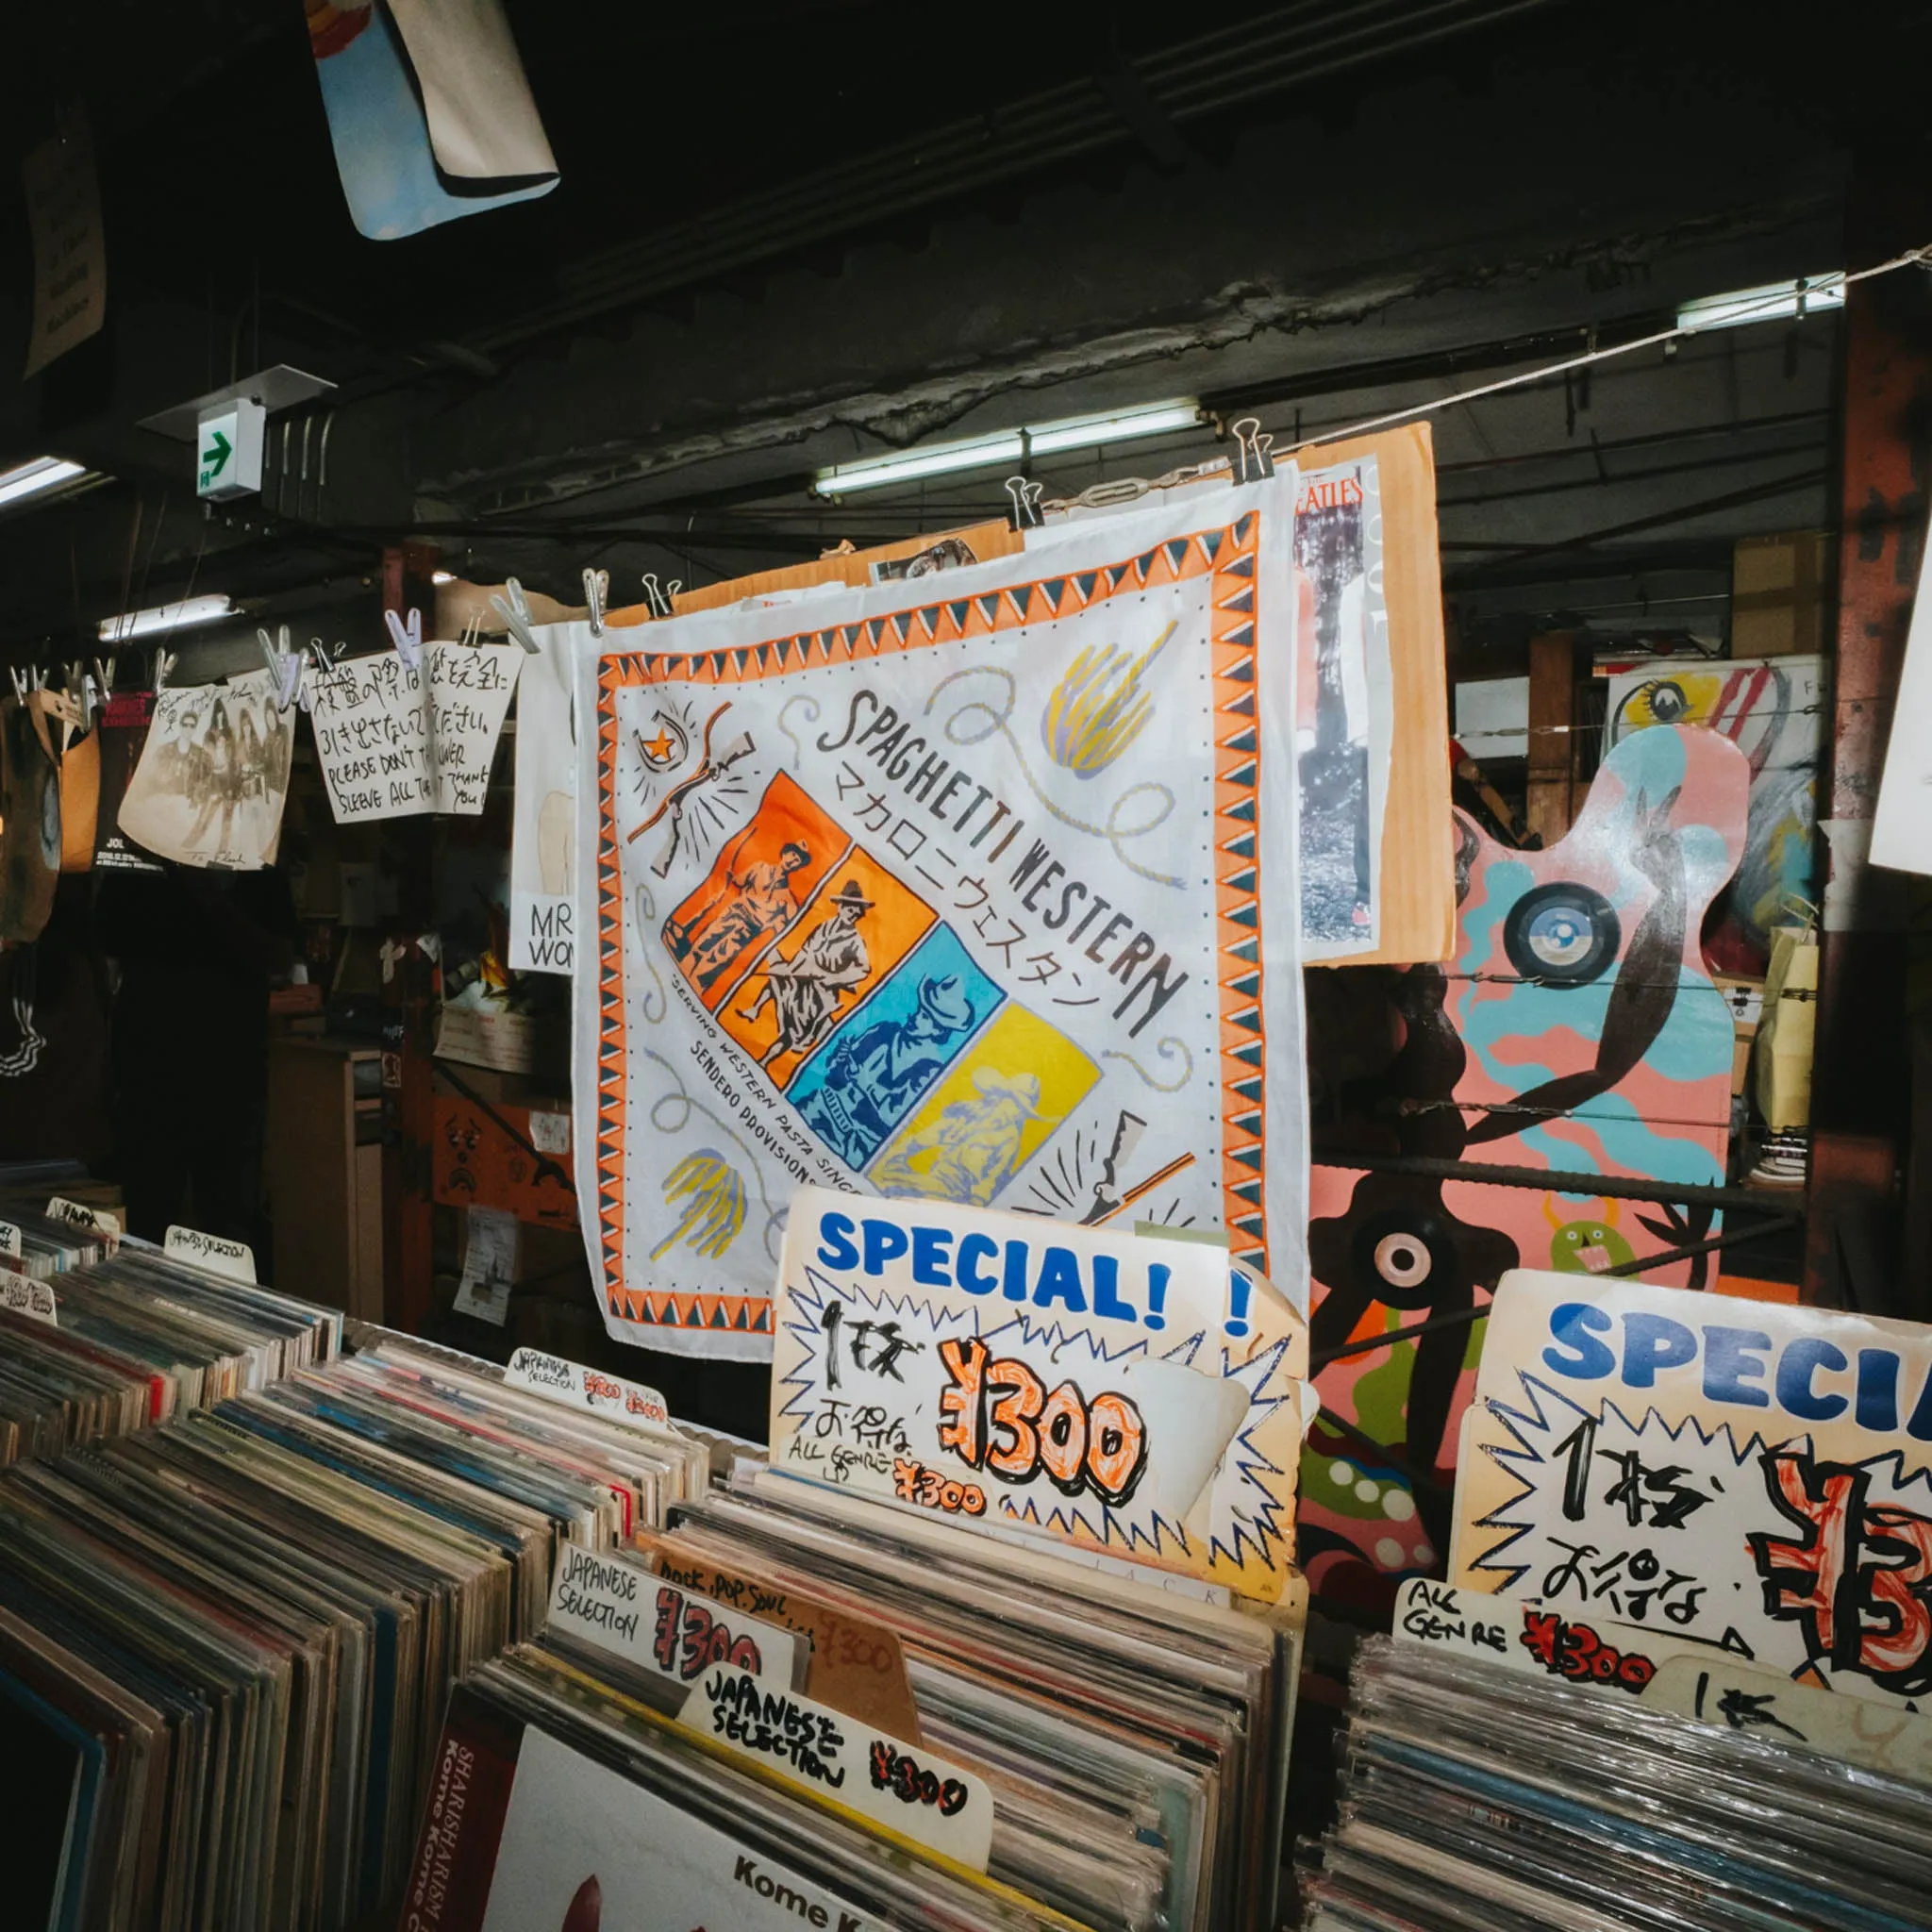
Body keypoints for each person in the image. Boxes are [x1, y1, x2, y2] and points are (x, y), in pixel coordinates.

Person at [94, 860, 297, 1250]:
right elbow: (104, 939)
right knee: (145, 1218)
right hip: (149, 1071)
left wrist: (206, 895)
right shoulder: (144, 855)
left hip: (229, 1073)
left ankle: (229, 1308)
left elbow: (281, 957)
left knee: (228, 1220)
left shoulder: (256, 856)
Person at [799, 972, 975, 1168]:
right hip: (819, 1108)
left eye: (924, 1016)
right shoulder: (885, 1031)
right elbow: (833, 1075)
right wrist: (839, 1059)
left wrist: (855, 1087)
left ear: (939, 1029)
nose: (915, 1017)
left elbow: (894, 1127)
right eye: (919, 1010)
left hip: (852, 1148)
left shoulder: (932, 1074)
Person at [737, 877, 873, 1065]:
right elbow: (807, 950)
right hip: (803, 978)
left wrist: (833, 978)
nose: (852, 916)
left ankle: (765, 1061)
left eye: (857, 914)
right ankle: (755, 1009)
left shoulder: (855, 940)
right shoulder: (825, 926)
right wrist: (792, 969)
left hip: (821, 992)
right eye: (850, 910)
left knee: (794, 1033)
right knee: (779, 974)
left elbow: (863, 969)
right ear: (841, 907)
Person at [872, 1065, 1041, 1204]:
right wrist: (896, 1155)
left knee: (889, 1184)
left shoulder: (1009, 1139)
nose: (1014, 1112)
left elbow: (990, 1181)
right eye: (1012, 1102)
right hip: (932, 1180)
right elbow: (924, 1137)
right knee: (884, 1175)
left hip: (951, 1194)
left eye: (1020, 1109)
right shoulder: (973, 1113)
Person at [675, 839, 809, 990]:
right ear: (784, 853)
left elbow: (785, 930)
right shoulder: (760, 867)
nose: (792, 860)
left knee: (719, 958)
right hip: (735, 912)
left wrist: (774, 923)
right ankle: (680, 971)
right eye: (792, 854)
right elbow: (738, 881)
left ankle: (695, 987)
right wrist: (729, 876)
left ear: (798, 866)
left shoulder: (788, 899)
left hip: (748, 929)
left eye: (797, 860)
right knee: (705, 942)